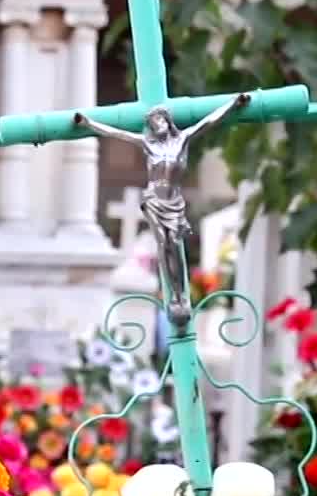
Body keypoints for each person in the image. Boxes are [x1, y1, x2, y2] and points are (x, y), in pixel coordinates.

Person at [73, 94, 252, 325]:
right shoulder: (148, 144)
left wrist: (234, 105)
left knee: (175, 246)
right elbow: (116, 133)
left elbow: (209, 121)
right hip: (155, 201)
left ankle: (180, 294)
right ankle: (175, 297)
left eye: (160, 120)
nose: (157, 125)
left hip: (174, 203)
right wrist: (88, 123)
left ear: (168, 122)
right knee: (164, 245)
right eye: (153, 123)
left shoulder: (182, 140)